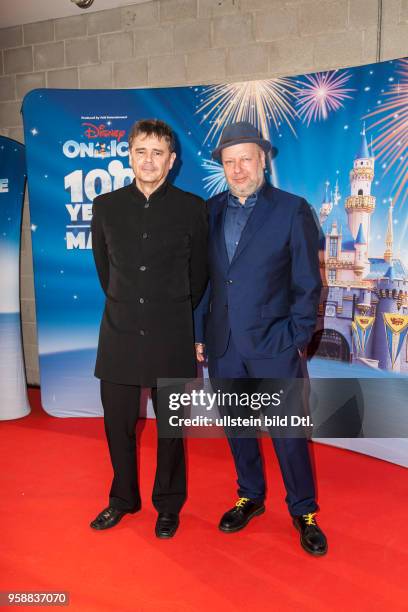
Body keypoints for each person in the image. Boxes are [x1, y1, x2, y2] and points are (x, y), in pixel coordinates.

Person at [194, 121, 327, 556]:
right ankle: (249, 496)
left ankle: (303, 511)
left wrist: (296, 336)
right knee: (238, 429)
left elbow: (308, 281)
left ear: (262, 161)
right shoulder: (209, 211)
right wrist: (200, 333)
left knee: (288, 433)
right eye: (229, 162)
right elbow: (206, 281)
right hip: (224, 345)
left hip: (275, 344)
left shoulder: (293, 210)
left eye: (245, 159)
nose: (237, 169)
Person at [91, 119, 208, 538]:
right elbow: (106, 271)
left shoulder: (193, 209)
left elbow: (199, 278)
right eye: (141, 151)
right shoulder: (105, 206)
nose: (149, 160)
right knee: (116, 425)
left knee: (171, 430)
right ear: (130, 154)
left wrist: (174, 314)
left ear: (171, 160)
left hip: (170, 335)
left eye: (158, 153)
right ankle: (122, 498)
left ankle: (168, 504)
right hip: (119, 334)